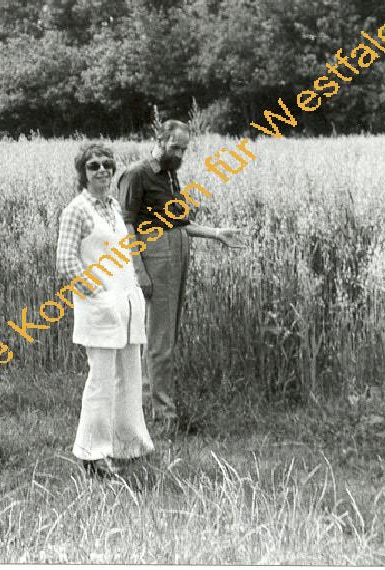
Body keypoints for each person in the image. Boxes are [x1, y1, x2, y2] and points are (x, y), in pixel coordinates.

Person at [117, 120, 243, 435]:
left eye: (184, 149)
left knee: (166, 336)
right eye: (175, 147)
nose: (180, 154)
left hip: (177, 250)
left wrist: (216, 233)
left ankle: (152, 409)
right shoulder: (136, 174)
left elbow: (179, 224)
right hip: (155, 255)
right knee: (158, 339)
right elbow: (126, 226)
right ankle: (163, 417)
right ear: (158, 139)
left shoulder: (170, 174)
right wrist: (138, 270)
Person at [57, 143, 154, 477]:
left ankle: (129, 446)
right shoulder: (77, 210)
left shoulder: (114, 207)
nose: (101, 170)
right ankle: (93, 454)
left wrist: (129, 290)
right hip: (100, 309)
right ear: (82, 173)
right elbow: (66, 261)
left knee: (129, 378)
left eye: (107, 165)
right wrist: (98, 293)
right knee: (101, 382)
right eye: (93, 165)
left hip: (126, 307)